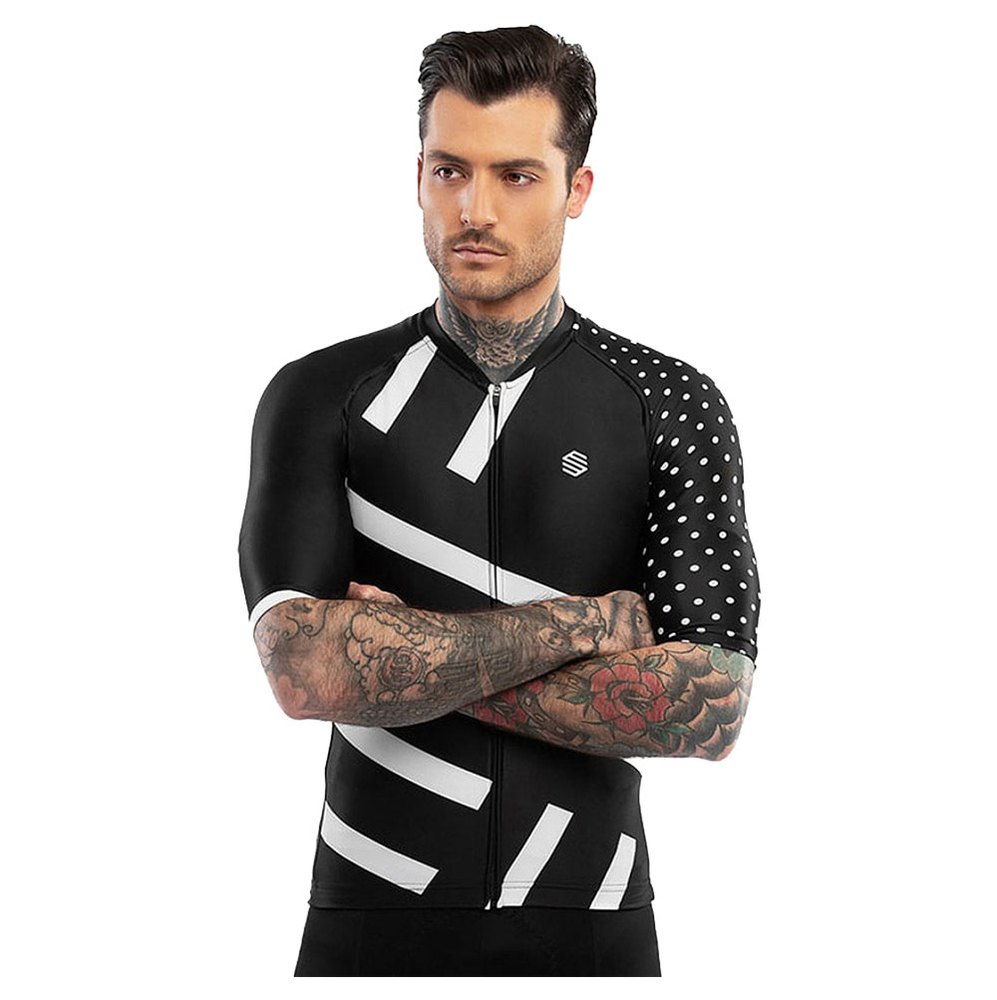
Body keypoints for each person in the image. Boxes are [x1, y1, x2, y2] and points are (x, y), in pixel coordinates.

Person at [238, 24, 760, 977]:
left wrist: (397, 660)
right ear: (419, 175)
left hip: (591, 912)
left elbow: (709, 706)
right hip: (370, 904)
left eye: (516, 175)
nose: (474, 209)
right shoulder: (322, 395)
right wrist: (586, 626)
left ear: (576, 188)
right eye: (450, 171)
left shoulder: (666, 401)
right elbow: (303, 672)